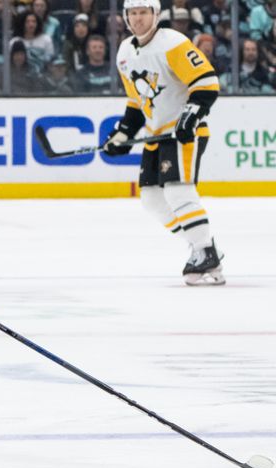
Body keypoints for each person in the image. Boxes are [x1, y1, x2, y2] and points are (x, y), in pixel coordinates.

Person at [103, 0, 224, 286]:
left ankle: (205, 251)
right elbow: (137, 101)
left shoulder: (173, 43)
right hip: (157, 136)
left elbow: (206, 83)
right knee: (152, 200)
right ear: (125, 17)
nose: (138, 19)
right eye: (133, 13)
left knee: (178, 191)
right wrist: (123, 133)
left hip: (183, 133)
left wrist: (190, 117)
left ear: (156, 15)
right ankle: (204, 248)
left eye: (144, 12)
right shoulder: (124, 51)